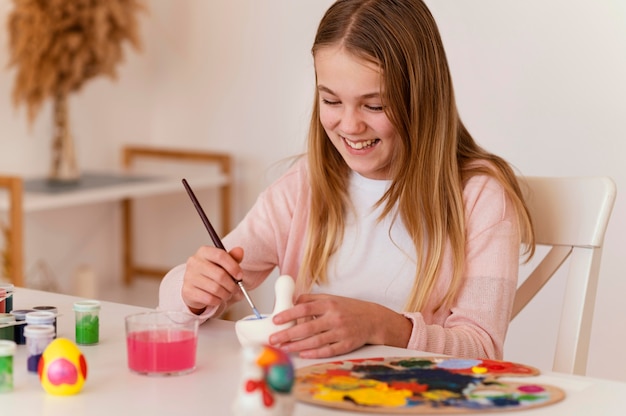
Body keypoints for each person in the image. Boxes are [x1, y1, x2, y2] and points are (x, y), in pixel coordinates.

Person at [159, 0, 535, 361]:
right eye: (331, 101)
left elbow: (483, 352)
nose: (350, 126)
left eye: (374, 105)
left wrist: (382, 325)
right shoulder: (303, 188)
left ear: (422, 98)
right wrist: (193, 291)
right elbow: (174, 305)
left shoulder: (479, 198)